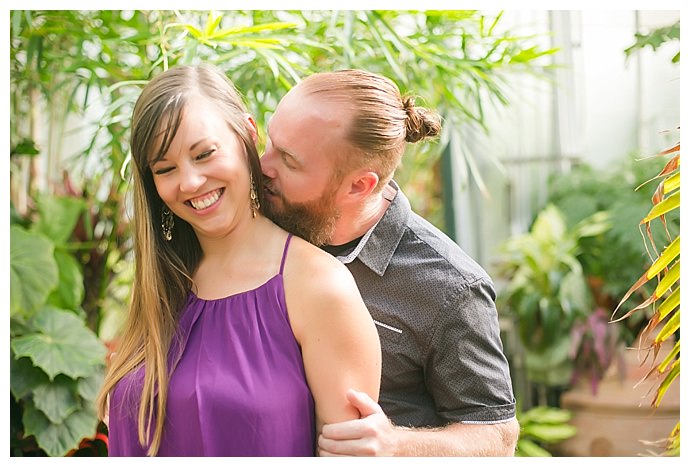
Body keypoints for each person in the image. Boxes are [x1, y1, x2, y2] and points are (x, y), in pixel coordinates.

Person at [95, 64, 381, 457]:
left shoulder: (317, 286)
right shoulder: (160, 284)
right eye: (166, 169)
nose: (190, 182)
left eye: (204, 153)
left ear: (248, 133)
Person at [260, 69, 519, 456]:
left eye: (290, 162)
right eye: (270, 142)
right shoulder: (264, 226)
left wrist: (397, 445)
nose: (263, 165)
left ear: (358, 185)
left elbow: (498, 436)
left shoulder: (450, 286)